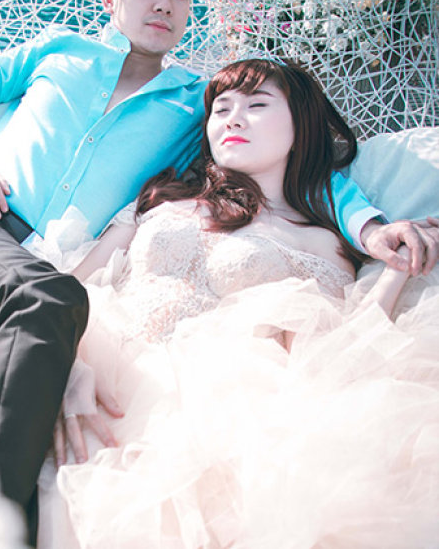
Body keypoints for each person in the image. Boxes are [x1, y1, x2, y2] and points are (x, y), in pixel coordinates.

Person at [0, 0, 438, 545]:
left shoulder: (192, 104)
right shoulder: (59, 52)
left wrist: (372, 231)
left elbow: (307, 173)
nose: (165, 3)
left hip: (87, 320)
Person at [34, 58, 439, 548]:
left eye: (257, 105)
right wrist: (66, 363)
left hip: (215, 424)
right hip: (92, 378)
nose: (233, 119)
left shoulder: (319, 241)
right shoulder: (161, 199)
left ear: (300, 126)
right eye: (221, 108)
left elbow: (335, 360)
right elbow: (68, 290)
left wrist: (397, 268)